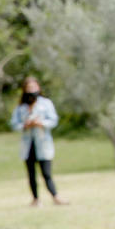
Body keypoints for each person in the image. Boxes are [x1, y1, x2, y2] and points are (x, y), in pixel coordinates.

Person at [9, 77, 67, 206]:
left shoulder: (46, 103)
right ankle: (35, 199)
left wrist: (41, 123)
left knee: (46, 173)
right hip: (28, 144)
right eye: (29, 88)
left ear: (39, 88)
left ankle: (55, 196)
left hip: (43, 142)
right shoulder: (20, 107)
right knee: (31, 174)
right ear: (24, 90)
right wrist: (25, 125)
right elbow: (14, 124)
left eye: (34, 87)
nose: (32, 90)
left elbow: (53, 120)